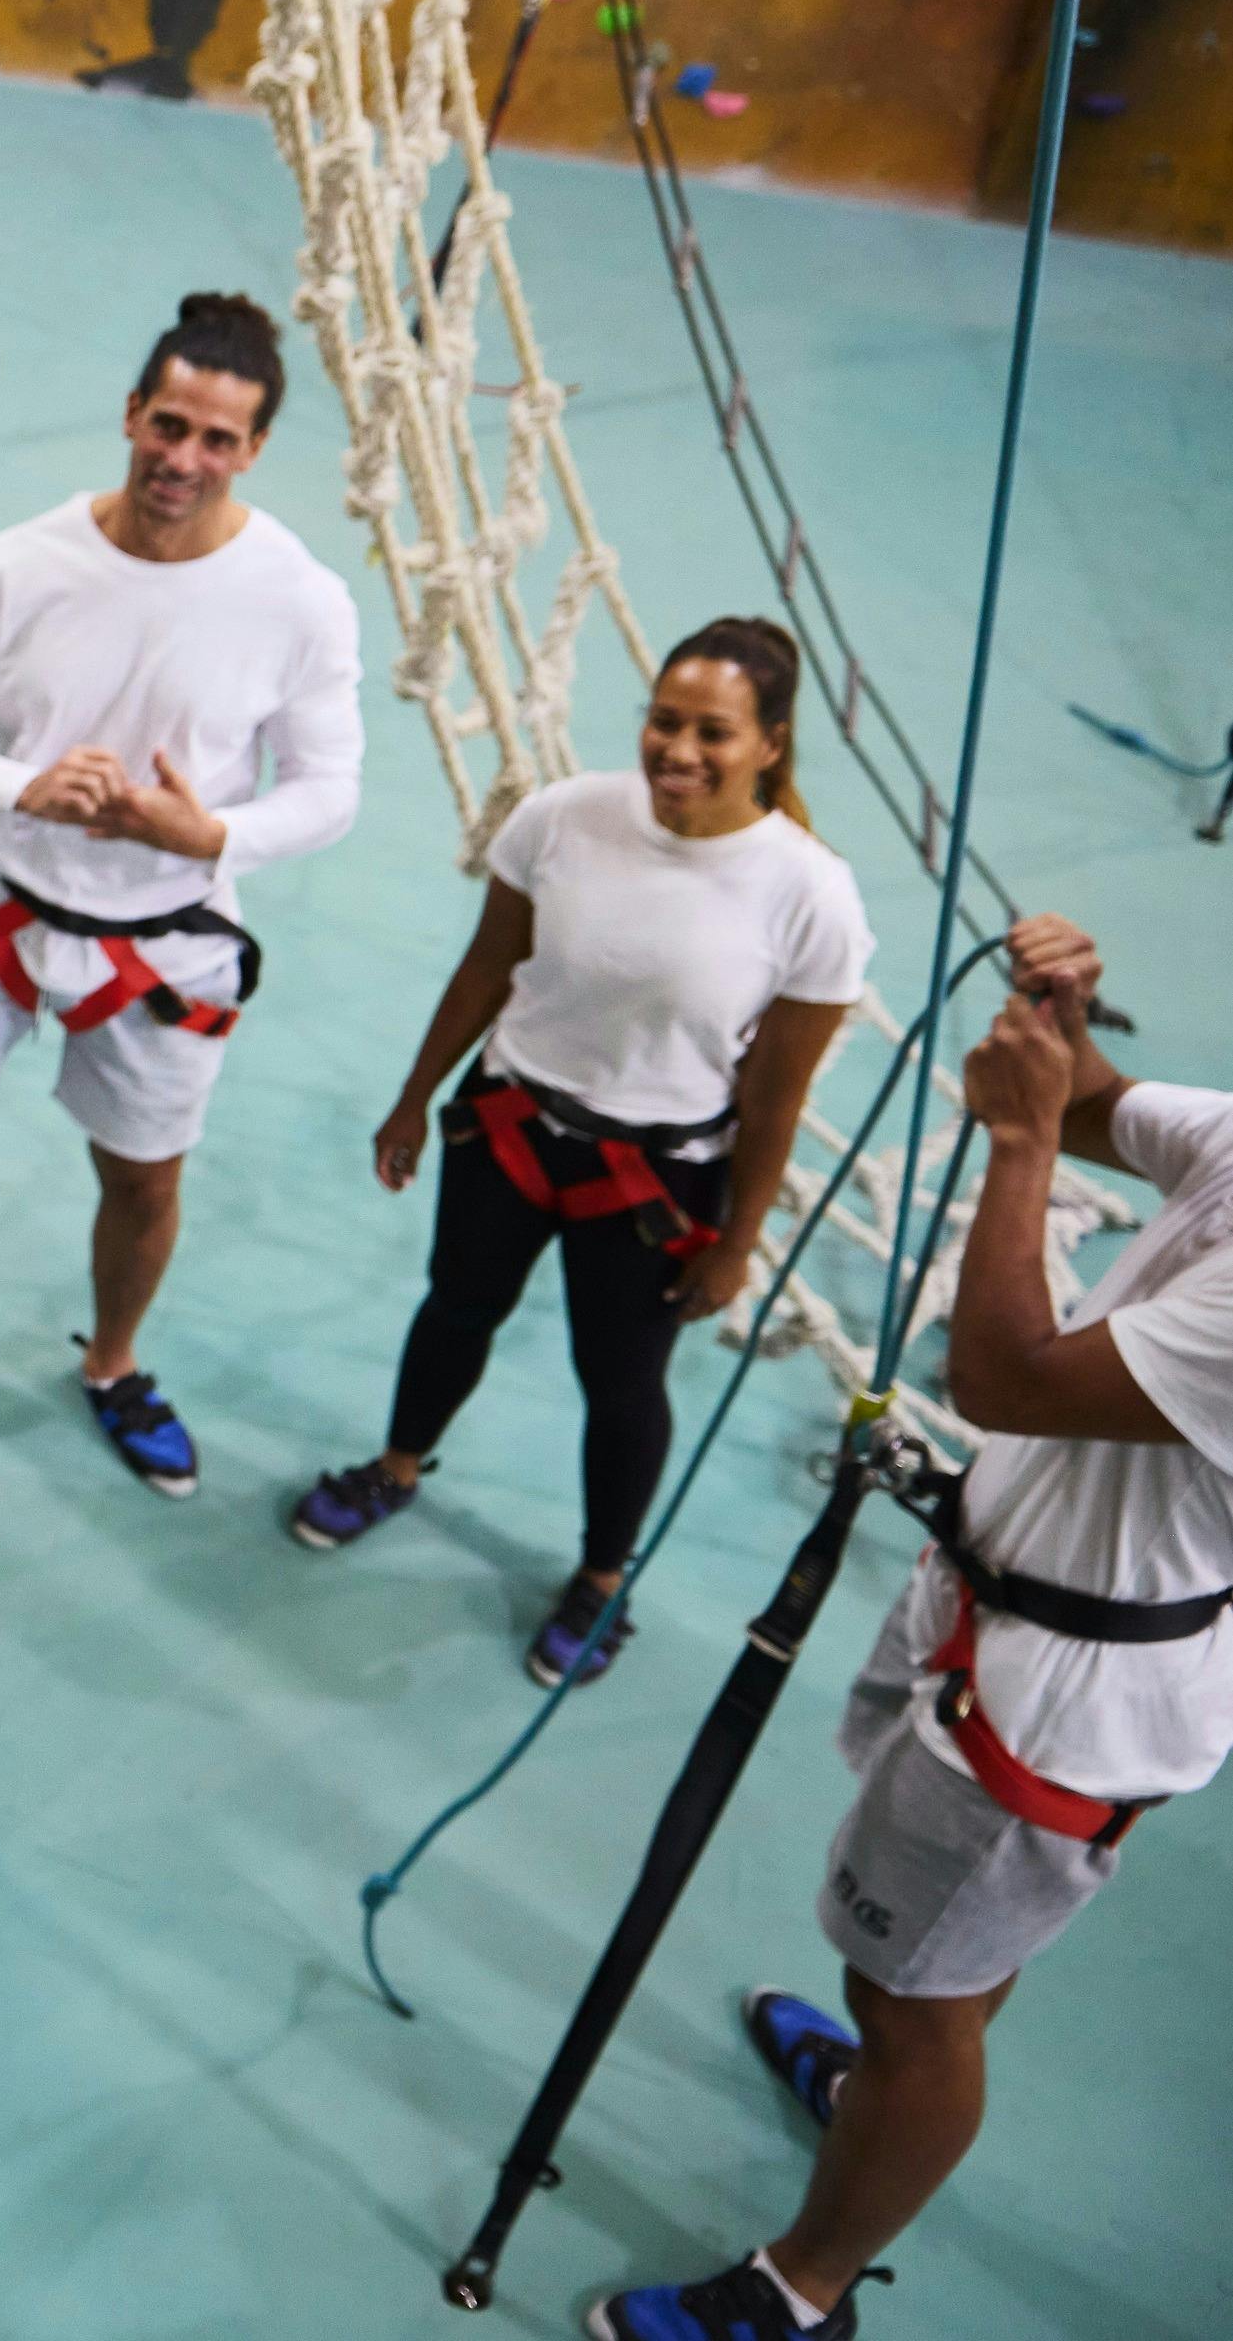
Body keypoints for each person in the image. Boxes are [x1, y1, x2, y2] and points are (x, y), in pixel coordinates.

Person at [591, 912, 1233, 2340]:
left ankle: (798, 2290)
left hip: (1059, 1704)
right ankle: (879, 2085)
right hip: (1010, 1612)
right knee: (928, 1967)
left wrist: (1014, 1147)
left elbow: (1001, 1373)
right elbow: (1088, 1109)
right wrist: (1055, 1040)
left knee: (920, 2003)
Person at [0, 292, 363, 1497]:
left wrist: (214, 834)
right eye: (169, 425)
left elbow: (330, 789)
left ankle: (115, 1360)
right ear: (132, 413)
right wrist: (22, 789)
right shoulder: (23, 563)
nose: (183, 460)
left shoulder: (297, 599)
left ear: (252, 451)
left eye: (217, 440)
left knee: (143, 1175)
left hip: (167, 939)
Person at [290, 620, 871, 1685]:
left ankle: (603, 1577)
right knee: (455, 1305)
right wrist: (415, 1098)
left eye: (714, 732)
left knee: (620, 1378)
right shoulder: (563, 817)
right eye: (664, 720)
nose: (678, 750)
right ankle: (395, 1465)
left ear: (771, 745)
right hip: (509, 1124)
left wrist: (737, 1243)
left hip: (654, 1178)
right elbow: (485, 969)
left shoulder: (809, 896)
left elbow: (776, 1096)